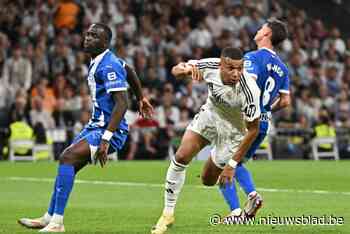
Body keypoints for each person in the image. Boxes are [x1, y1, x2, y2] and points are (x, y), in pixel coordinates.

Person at [18, 23, 153, 232]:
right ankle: (49, 217)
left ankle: (56, 223)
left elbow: (122, 103)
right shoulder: (103, 60)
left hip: (111, 130)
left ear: (105, 42)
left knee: (67, 157)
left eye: (94, 36)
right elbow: (130, 70)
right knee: (67, 161)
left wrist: (106, 139)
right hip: (95, 126)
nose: (88, 38)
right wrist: (142, 97)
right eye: (88, 34)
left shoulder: (108, 65)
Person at [151, 47, 261, 234]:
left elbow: (253, 130)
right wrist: (182, 70)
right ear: (221, 64)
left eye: (240, 68)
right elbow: (177, 69)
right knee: (181, 156)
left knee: (208, 180)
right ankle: (167, 214)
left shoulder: (250, 90)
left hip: (233, 132)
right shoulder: (210, 65)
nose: (236, 73)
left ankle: (241, 187)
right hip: (209, 117)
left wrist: (232, 164)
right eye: (231, 68)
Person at [191, 18, 290, 220]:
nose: (258, 29)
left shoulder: (252, 58)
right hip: (262, 122)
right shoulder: (282, 67)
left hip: (244, 120)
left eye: (262, 27)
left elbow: (247, 84)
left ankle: (241, 207)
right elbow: (286, 101)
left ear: (267, 34)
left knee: (225, 163)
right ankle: (246, 203)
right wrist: (265, 110)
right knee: (236, 163)